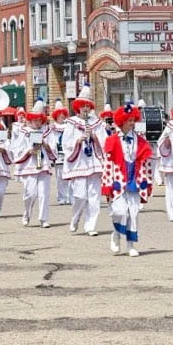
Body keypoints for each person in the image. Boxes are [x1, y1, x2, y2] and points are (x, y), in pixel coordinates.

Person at [100, 102, 154, 257]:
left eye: (133, 120)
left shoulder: (141, 141)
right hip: (118, 181)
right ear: (122, 121)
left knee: (133, 214)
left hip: (135, 181)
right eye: (129, 120)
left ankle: (130, 245)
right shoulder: (112, 140)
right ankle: (116, 234)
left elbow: (147, 163)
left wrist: (148, 182)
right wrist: (107, 184)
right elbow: (107, 164)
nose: (132, 123)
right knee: (119, 211)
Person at [62, 84, 105, 236]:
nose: (85, 109)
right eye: (83, 106)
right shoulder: (71, 122)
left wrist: (94, 136)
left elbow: (104, 142)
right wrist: (78, 141)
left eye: (88, 106)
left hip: (94, 163)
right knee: (79, 196)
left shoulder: (97, 122)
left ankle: (90, 226)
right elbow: (65, 143)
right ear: (78, 107)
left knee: (94, 197)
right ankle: (75, 218)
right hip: (79, 162)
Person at [13, 100, 55, 228]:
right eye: (34, 120)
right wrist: (28, 151)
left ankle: (43, 219)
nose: (37, 122)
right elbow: (16, 148)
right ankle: (27, 213)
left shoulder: (47, 131)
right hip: (29, 165)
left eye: (39, 120)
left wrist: (45, 144)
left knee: (44, 193)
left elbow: (53, 148)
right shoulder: (25, 131)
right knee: (31, 194)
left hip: (43, 164)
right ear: (30, 120)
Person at [50, 100, 72, 205]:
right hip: (58, 154)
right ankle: (61, 197)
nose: (62, 116)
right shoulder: (52, 127)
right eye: (59, 114)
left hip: (68, 153)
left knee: (69, 176)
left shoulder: (69, 126)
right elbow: (51, 140)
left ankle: (70, 196)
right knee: (59, 177)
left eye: (63, 114)